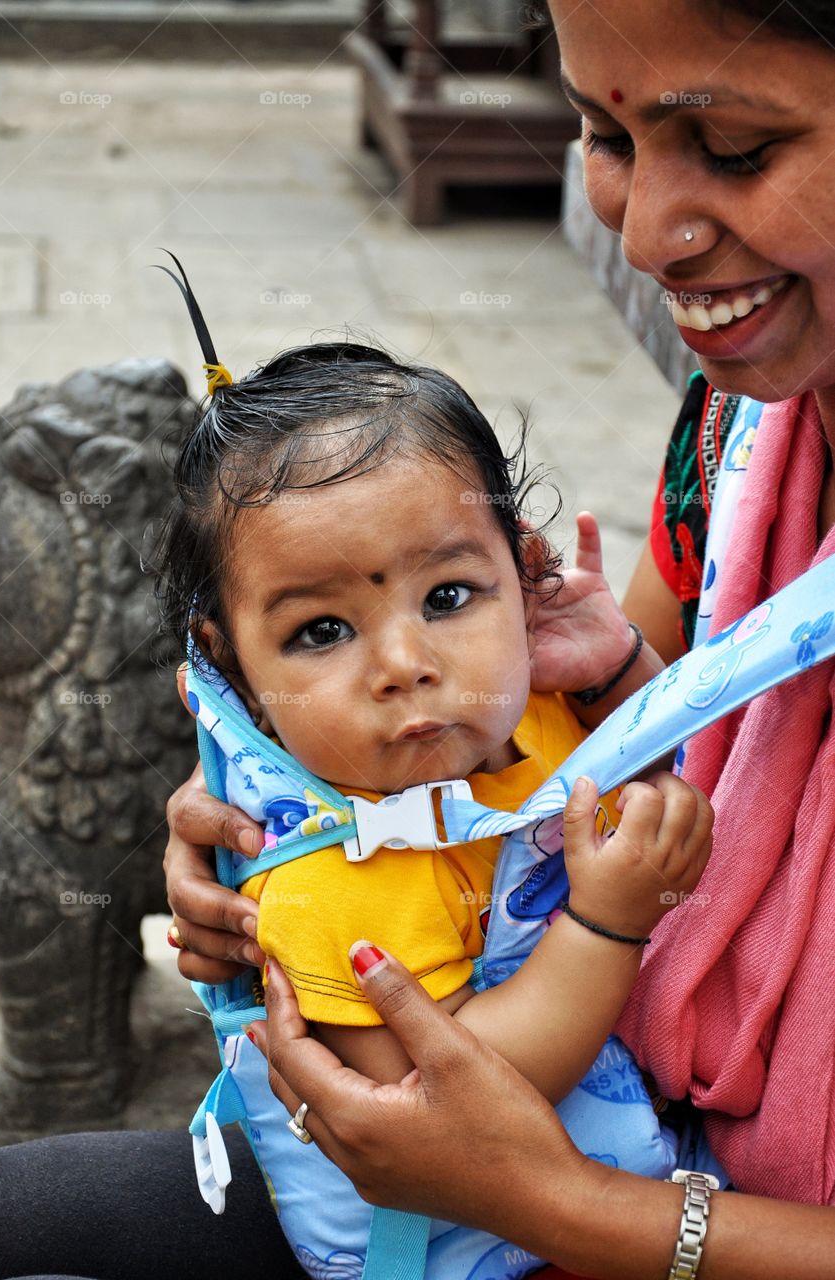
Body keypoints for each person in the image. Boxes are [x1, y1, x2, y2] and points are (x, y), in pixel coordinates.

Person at [0, 0, 835, 1276]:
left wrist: (573, 1213)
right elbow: (661, 743)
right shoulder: (742, 434)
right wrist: (275, 802)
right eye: (605, 133)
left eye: (732, 147)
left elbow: (472, 1093)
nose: (651, 234)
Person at [154, 334, 712, 1273]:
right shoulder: (332, 886)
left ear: (524, 575)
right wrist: (606, 927)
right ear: (235, 675)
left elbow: (686, 771)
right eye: (321, 630)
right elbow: (461, 1099)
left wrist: (619, 671)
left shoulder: (537, 714)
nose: (405, 663)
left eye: (449, 594)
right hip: (485, 1251)